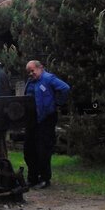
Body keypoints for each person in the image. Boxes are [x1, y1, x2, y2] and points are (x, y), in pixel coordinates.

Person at [24, 59, 70, 189]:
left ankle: (44, 178)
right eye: (29, 72)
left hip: (46, 119)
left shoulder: (48, 79)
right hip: (32, 120)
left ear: (40, 68)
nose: (31, 74)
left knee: (43, 150)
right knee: (29, 150)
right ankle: (32, 178)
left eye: (32, 71)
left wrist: (56, 103)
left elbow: (65, 88)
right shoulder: (31, 81)